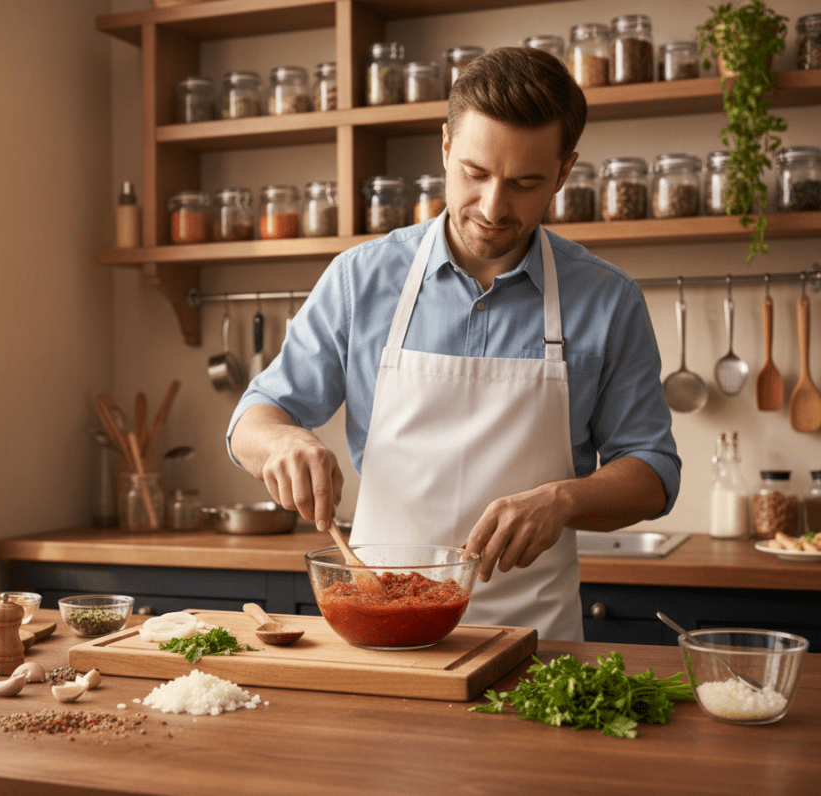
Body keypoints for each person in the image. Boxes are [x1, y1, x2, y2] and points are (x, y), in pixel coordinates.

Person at [226, 47, 680, 641]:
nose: (493, 207)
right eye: (475, 173)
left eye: (525, 183)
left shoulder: (607, 301)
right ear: (445, 146)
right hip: (380, 626)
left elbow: (653, 471)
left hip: (533, 646)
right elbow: (250, 421)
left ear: (565, 174)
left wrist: (564, 501)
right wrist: (283, 442)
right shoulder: (361, 279)